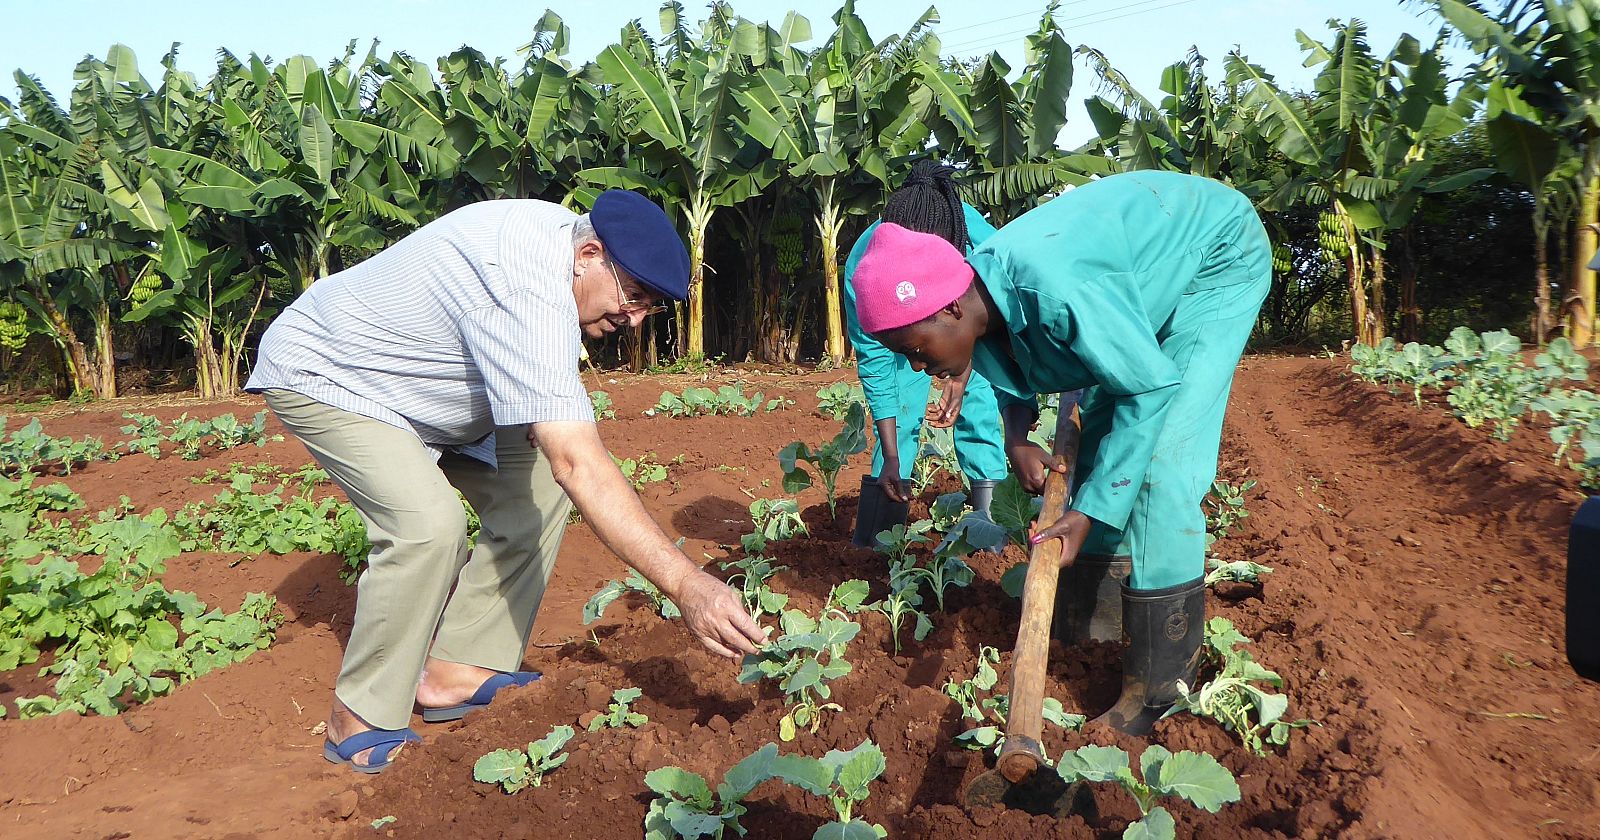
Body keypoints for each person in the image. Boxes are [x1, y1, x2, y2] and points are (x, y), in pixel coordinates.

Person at [245, 190, 764, 773]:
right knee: (428, 527)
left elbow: (557, 459)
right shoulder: (524, 286)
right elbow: (578, 461)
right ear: (589, 253)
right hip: (336, 375)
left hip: (435, 391)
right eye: (634, 296)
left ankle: (456, 669)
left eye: (650, 307)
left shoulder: (563, 255)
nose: (634, 319)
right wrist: (690, 587)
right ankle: (356, 718)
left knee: (539, 485)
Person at [848, 170, 1270, 734]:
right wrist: (1018, 435)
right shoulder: (980, 294)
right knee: (1099, 444)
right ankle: (1095, 621)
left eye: (916, 350)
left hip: (1215, 256)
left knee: (1159, 462)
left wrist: (1091, 511)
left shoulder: (1054, 286)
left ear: (950, 310)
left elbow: (1146, 388)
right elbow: (1007, 351)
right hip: (1138, 270)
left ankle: (1159, 688)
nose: (920, 367)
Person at [842, 161, 1010, 548]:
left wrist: (964, 372)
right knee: (900, 407)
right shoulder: (862, 272)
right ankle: (882, 531)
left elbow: (994, 310)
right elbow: (876, 363)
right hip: (898, 332)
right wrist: (890, 457)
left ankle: (991, 517)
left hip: (961, 326)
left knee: (979, 401)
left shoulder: (970, 237)